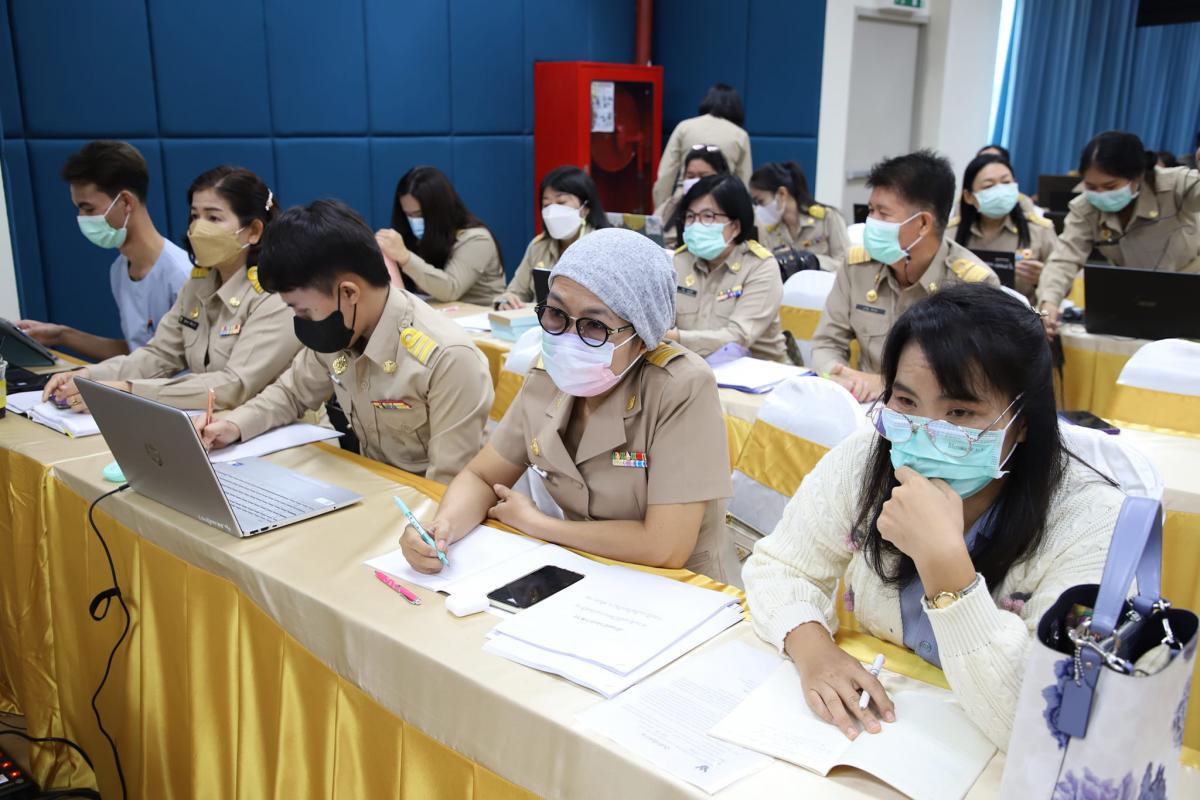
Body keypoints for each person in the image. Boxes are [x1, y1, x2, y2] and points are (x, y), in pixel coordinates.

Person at [744, 284, 1125, 749]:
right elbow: (781, 565)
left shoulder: (1094, 521)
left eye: (960, 411)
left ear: (1022, 421)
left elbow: (1046, 720)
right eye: (906, 403)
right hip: (885, 731)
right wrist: (814, 651)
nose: (923, 433)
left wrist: (947, 570)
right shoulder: (866, 458)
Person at [398, 228, 739, 582]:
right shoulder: (547, 375)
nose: (568, 339)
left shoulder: (681, 387)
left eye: (594, 326)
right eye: (557, 314)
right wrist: (442, 528)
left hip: (678, 589)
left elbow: (665, 546)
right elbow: (482, 477)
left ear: (643, 338)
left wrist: (539, 525)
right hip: (582, 574)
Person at [197, 200, 493, 484]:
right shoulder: (342, 326)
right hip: (374, 485)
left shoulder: (448, 358)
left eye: (304, 311)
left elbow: (448, 486)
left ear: (349, 292)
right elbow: (291, 393)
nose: (302, 321)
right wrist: (233, 425)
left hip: (426, 505)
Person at [43, 166, 300, 414]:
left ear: (253, 231)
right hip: (213, 424)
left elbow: (234, 385)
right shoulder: (199, 283)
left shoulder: (275, 294)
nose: (198, 228)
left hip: (279, 432)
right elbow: (159, 355)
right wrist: (88, 376)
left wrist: (129, 390)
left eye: (213, 218)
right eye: (195, 216)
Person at [811, 150, 998, 403]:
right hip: (862, 405)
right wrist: (836, 375)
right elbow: (826, 343)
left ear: (923, 224)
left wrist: (887, 386)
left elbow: (971, 377)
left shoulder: (973, 284)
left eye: (883, 213)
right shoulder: (857, 267)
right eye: (871, 210)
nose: (871, 221)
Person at [17, 140, 190, 360]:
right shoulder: (120, 270)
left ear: (126, 202)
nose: (82, 218)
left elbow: (190, 365)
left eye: (89, 209)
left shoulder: (182, 276)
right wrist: (61, 335)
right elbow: (138, 352)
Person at [1037, 131, 1200, 337]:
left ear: (1137, 176)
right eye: (1091, 186)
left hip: (1191, 294)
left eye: (1110, 186)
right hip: (1133, 301)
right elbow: (1064, 258)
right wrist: (1048, 303)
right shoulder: (1085, 207)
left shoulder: (1175, 184)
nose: (1100, 194)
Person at [666, 174, 786, 362]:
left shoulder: (760, 266)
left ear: (735, 226)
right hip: (690, 365)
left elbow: (739, 337)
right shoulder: (680, 261)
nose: (696, 225)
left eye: (708, 216)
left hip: (754, 369)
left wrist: (675, 338)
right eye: (690, 216)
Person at [375, 166, 506, 306]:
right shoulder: (418, 238)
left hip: (481, 315)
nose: (414, 221)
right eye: (408, 215)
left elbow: (451, 289)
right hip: (441, 313)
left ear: (440, 210)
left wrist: (405, 258)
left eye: (419, 214)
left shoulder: (477, 239)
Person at [493, 166, 611, 309]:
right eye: (546, 204)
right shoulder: (538, 246)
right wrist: (507, 301)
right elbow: (516, 292)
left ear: (585, 208)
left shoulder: (603, 248)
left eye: (561, 202)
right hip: (537, 321)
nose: (552, 211)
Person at [947, 154, 1057, 301]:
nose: (1000, 191)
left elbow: (1063, 285)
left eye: (1006, 182)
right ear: (968, 196)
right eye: (988, 186)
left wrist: (1044, 279)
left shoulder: (1039, 230)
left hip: (1022, 314)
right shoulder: (949, 233)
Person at [652, 84, 752, 209]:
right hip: (721, 205)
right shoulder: (740, 135)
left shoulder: (684, 127)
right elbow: (744, 183)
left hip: (683, 201)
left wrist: (662, 209)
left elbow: (666, 174)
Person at [749, 161, 850, 272]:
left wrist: (811, 261)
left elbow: (846, 264)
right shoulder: (771, 231)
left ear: (782, 193)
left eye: (761, 201)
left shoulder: (827, 218)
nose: (758, 209)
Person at [653, 145, 730, 248]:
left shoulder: (731, 208)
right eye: (690, 176)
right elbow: (649, 230)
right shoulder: (671, 205)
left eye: (704, 176)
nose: (696, 181)